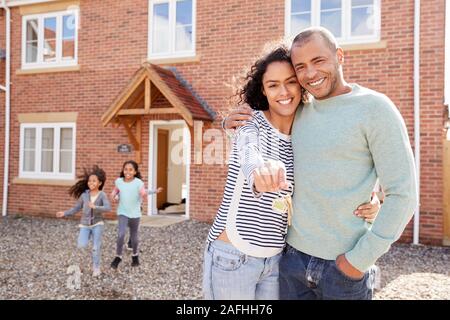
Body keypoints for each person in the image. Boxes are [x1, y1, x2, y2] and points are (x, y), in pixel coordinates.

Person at [224, 27, 417, 300]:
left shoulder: (376, 109)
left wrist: (357, 261)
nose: (310, 74)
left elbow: (403, 195)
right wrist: (227, 122)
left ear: (339, 56)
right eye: (300, 66)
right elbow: (259, 131)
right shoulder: (299, 110)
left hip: (343, 269)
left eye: (319, 61)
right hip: (291, 262)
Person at [203, 43, 380, 300]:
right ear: (263, 90)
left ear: (301, 84)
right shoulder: (249, 123)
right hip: (233, 255)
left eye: (290, 82)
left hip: (278, 258)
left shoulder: (306, 130)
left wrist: (370, 198)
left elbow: (340, 163)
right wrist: (260, 172)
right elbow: (249, 152)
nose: (283, 92)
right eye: (273, 85)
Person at [56, 165, 111, 277]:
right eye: (89, 181)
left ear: (99, 183)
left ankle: (96, 268)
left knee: (96, 247)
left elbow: (108, 208)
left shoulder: (102, 195)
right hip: (85, 224)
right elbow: (76, 208)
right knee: (81, 245)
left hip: (97, 224)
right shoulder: (84, 195)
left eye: (94, 181)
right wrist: (65, 213)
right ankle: (81, 266)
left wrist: (95, 207)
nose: (91, 183)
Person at [110, 160, 162, 269]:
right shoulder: (119, 181)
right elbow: (116, 190)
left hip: (135, 213)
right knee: (121, 234)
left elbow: (143, 192)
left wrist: (150, 192)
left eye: (130, 170)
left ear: (135, 172)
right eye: (125, 169)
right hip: (122, 212)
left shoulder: (138, 183)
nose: (127, 172)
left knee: (134, 237)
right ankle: (118, 256)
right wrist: (113, 195)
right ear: (123, 171)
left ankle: (135, 255)